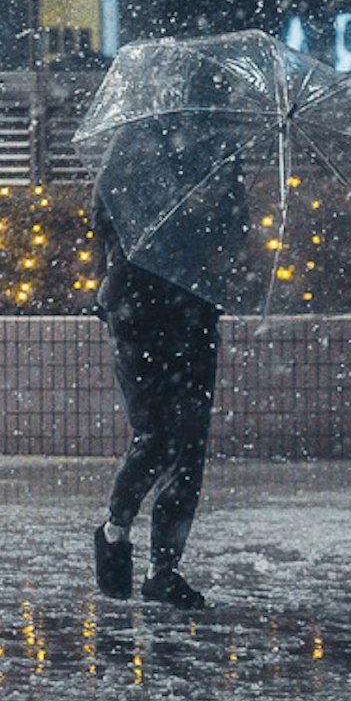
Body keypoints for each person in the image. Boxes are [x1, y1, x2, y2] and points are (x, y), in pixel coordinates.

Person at [94, 202, 223, 607]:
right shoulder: (131, 155)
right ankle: (116, 528)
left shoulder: (217, 155)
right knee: (155, 433)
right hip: (139, 310)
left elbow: (231, 232)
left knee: (189, 448)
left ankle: (163, 571)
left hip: (193, 313)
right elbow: (106, 220)